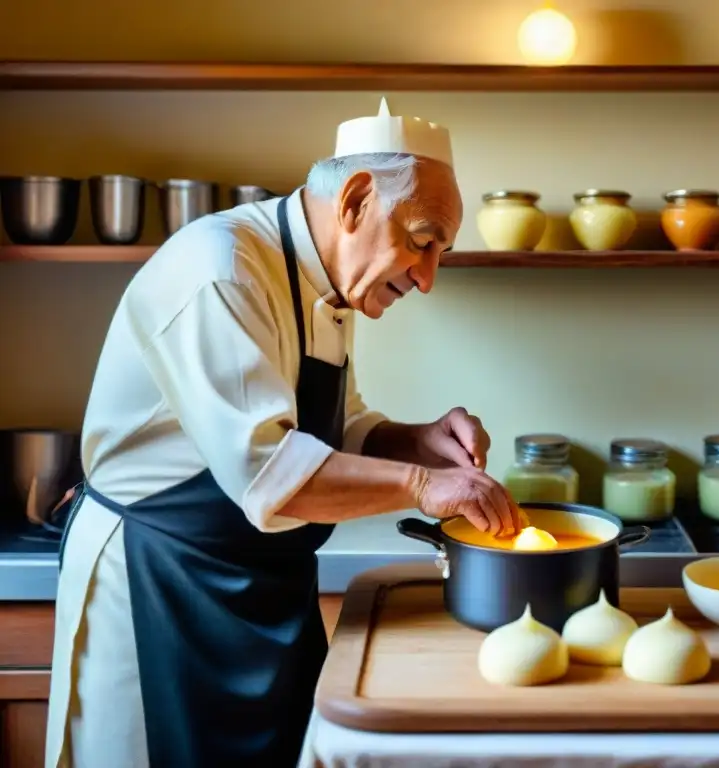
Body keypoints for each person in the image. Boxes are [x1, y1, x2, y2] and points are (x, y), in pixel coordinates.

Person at [45, 99, 519, 768]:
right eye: (421, 240)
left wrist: (420, 440)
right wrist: (424, 486)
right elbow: (271, 474)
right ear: (355, 200)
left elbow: (339, 427)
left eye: (439, 251)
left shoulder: (328, 283)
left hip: (257, 587)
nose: (427, 277)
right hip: (162, 584)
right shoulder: (223, 269)